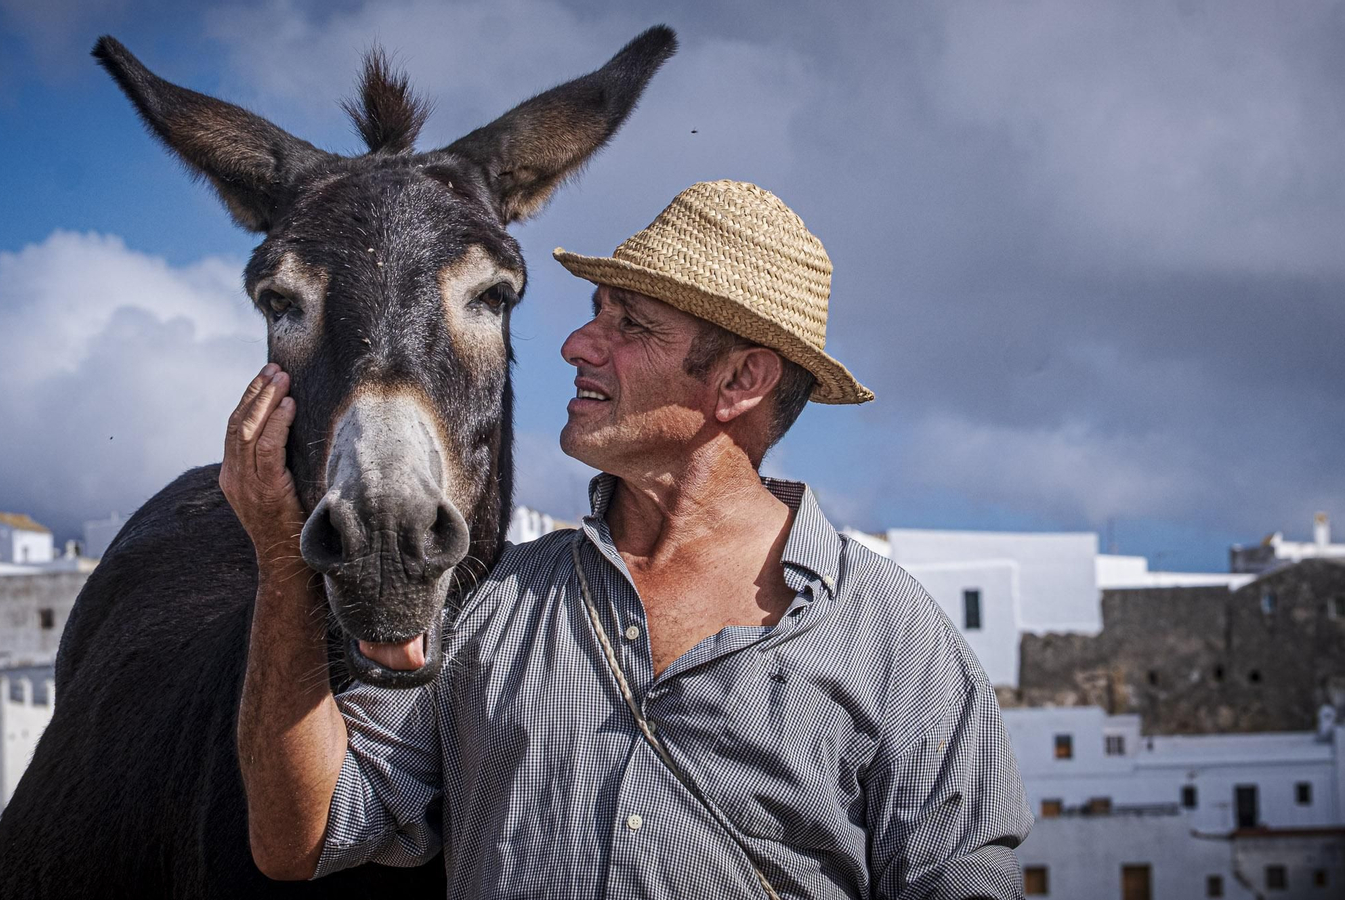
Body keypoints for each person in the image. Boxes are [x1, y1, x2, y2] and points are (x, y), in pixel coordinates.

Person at [226, 180, 1032, 898]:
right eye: (593, 314)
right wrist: (280, 558)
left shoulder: (896, 642)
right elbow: (304, 836)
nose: (578, 346)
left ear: (741, 381)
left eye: (633, 326)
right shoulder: (490, 607)